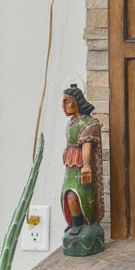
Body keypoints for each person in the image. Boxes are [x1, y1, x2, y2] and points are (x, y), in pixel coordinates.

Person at [60, 84, 101, 234]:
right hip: (70, 165)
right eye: (63, 102)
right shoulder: (71, 122)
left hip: (80, 164)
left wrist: (86, 165)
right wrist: (66, 149)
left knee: (77, 195)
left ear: (76, 102)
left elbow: (86, 146)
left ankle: (81, 223)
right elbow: (71, 139)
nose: (64, 106)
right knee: (66, 194)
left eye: (67, 101)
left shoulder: (88, 123)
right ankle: (74, 222)